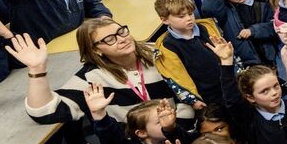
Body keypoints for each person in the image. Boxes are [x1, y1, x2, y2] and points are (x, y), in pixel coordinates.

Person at [16, 19, 194, 126]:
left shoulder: (159, 54)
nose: (122, 39)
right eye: (110, 39)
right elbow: (45, 113)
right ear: (96, 50)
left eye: (121, 31)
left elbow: (192, 91)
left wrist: (178, 126)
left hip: (182, 129)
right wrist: (37, 69)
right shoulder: (92, 77)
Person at [152, 0, 224, 107]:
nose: (189, 18)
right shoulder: (167, 46)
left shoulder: (207, 28)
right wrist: (192, 100)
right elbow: (175, 78)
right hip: (207, 97)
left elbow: (231, 54)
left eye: (190, 14)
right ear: (165, 20)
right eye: (181, 16)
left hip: (229, 83)